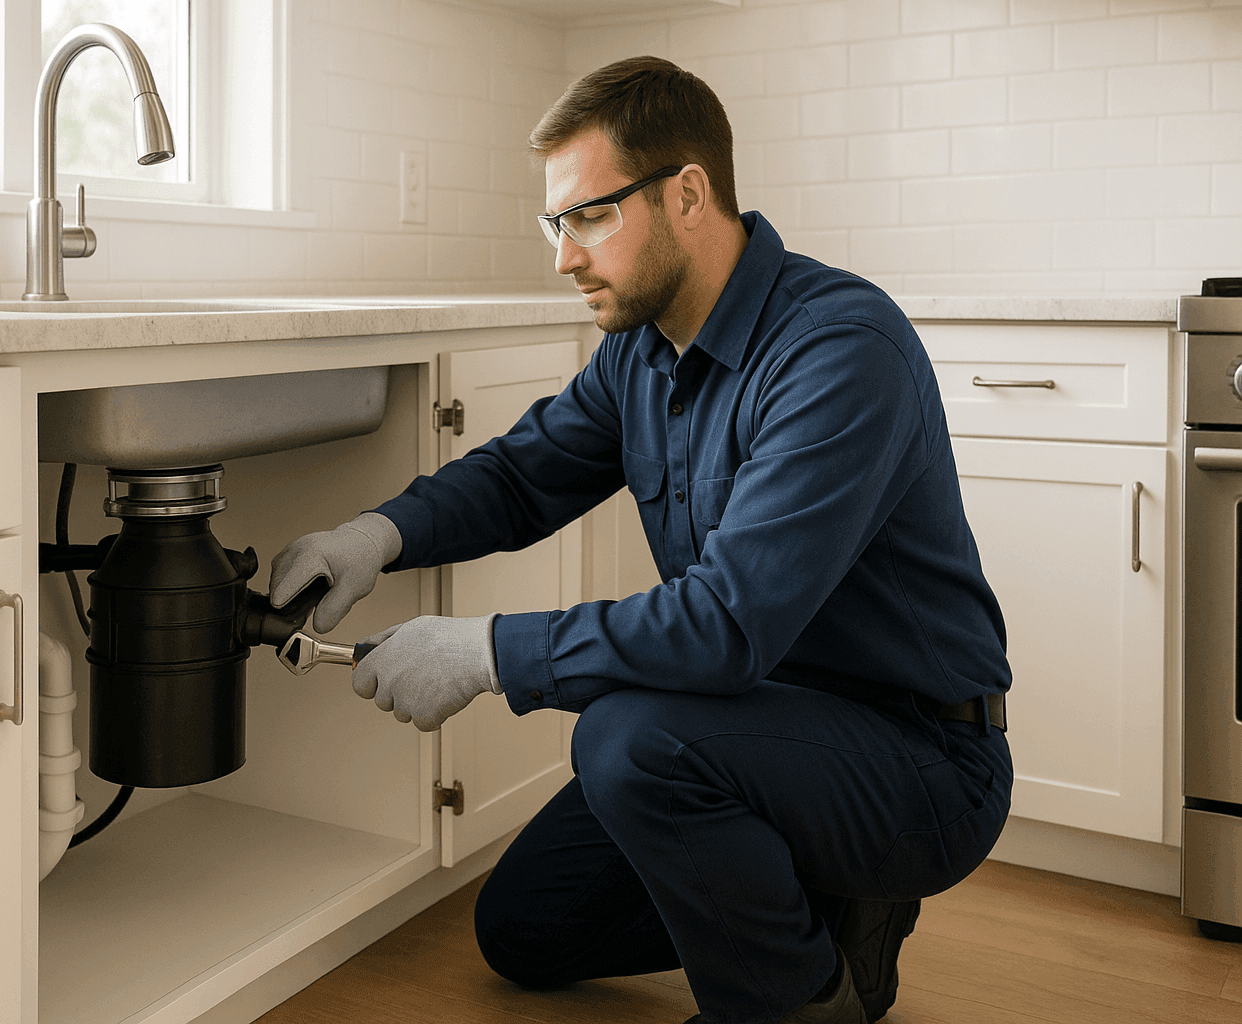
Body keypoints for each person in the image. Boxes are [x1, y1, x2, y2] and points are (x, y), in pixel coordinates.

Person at [269, 55, 1012, 1024]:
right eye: (556, 224)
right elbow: (523, 474)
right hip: (754, 723)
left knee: (625, 739)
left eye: (589, 216)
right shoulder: (640, 352)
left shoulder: (838, 349)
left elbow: (724, 626)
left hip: (915, 759)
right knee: (525, 928)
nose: (564, 257)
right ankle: (831, 918)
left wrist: (484, 652)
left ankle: (798, 1003)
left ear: (687, 194)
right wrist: (375, 534)